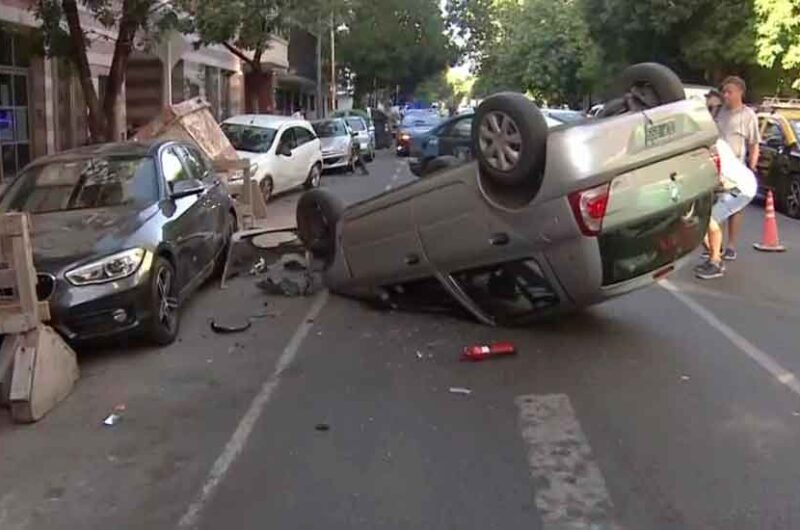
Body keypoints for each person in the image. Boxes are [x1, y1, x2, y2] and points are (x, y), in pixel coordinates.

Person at [712, 76, 760, 262]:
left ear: (740, 92)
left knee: (734, 209)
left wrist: (753, 166)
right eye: (724, 92)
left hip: (738, 169)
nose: (726, 95)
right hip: (718, 167)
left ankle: (731, 245)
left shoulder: (748, 115)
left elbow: (754, 143)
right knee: (718, 206)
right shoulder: (719, 113)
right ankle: (718, 245)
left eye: (729, 91)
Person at [695, 139, 758, 279]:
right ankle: (716, 253)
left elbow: (719, 180)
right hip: (730, 185)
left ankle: (716, 262)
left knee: (709, 220)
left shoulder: (712, 148)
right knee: (698, 223)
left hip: (740, 187)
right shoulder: (711, 143)